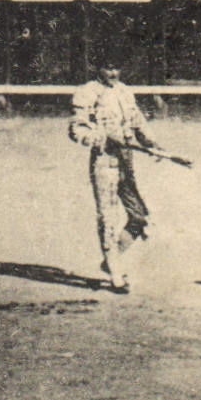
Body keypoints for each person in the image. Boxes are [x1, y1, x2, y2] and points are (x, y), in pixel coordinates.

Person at [67, 61, 173, 291]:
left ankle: (109, 261)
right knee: (108, 217)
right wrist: (96, 137)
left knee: (140, 217)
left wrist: (153, 144)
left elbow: (138, 122)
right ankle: (115, 272)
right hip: (104, 160)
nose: (113, 73)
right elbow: (76, 128)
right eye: (108, 68)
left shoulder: (124, 91)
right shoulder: (87, 92)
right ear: (98, 69)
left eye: (117, 68)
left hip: (126, 160)